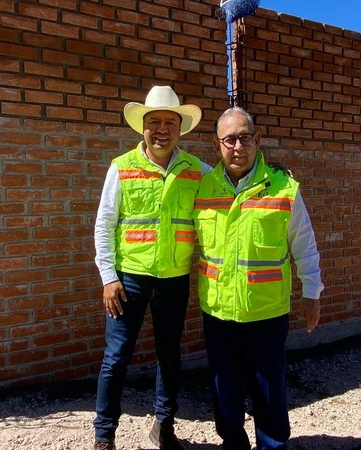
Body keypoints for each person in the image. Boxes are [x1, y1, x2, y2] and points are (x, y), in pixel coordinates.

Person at [192, 107, 324, 449]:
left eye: (245, 138)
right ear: (217, 144)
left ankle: (273, 445)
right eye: (230, 139)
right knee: (225, 390)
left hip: (267, 312)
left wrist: (312, 292)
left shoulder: (283, 188)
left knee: (269, 389)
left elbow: (304, 244)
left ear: (258, 140)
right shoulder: (202, 187)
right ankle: (233, 444)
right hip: (219, 312)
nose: (238, 147)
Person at [92, 85, 204, 450]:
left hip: (174, 281)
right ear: (142, 127)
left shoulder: (197, 170)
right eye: (153, 121)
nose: (161, 129)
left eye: (169, 122)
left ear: (180, 128)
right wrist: (108, 277)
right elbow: (104, 224)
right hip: (129, 281)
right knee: (116, 358)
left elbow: (233, 186)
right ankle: (104, 434)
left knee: (169, 357)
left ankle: (164, 426)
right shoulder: (121, 167)